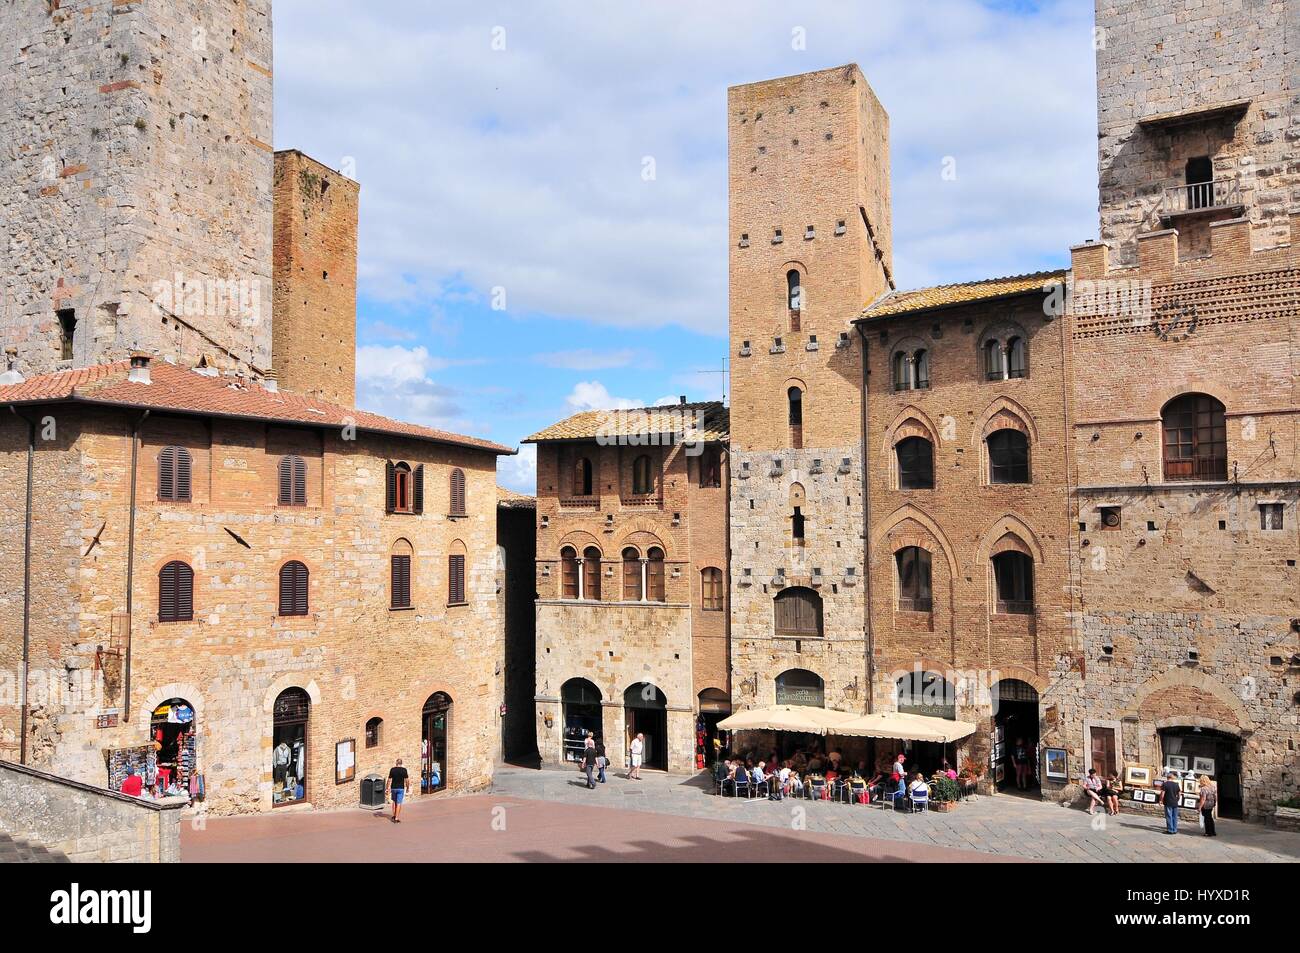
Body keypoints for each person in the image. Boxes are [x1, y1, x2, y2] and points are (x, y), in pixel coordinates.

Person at [386, 758, 410, 823]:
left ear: (396, 763)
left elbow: (389, 780)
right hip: (400, 788)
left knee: (394, 801)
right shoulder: (404, 770)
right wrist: (407, 788)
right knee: (399, 803)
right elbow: (407, 780)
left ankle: (394, 815)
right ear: (401, 763)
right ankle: (396, 818)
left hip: (393, 788)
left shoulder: (392, 769)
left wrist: (387, 788)